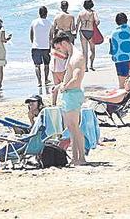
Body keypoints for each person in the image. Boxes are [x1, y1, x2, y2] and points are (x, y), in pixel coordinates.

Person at [51, 33, 86, 165]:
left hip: (73, 94)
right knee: (71, 128)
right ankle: (75, 157)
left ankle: (81, 157)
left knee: (75, 127)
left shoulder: (77, 57)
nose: (60, 52)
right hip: (68, 95)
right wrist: (59, 86)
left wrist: (64, 87)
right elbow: (68, 77)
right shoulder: (71, 56)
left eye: (59, 48)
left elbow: (76, 79)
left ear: (64, 43)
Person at [109, 12, 130, 89]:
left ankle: (123, 99)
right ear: (127, 20)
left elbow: (112, 48)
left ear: (116, 22)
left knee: (122, 84)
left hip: (120, 60)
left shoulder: (114, 33)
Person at [29, 6, 52, 88]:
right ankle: (46, 79)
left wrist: (33, 42)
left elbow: (31, 34)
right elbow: (51, 36)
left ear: (39, 13)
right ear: (46, 13)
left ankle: (39, 81)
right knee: (46, 64)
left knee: (37, 65)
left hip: (35, 47)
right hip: (46, 47)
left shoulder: (34, 22)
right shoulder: (49, 23)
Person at [76, 0, 99, 71]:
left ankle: (85, 67)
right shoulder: (93, 12)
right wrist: (95, 25)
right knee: (92, 50)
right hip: (91, 31)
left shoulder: (81, 13)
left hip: (82, 31)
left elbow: (77, 24)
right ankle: (91, 65)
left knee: (84, 51)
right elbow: (97, 21)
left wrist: (75, 33)